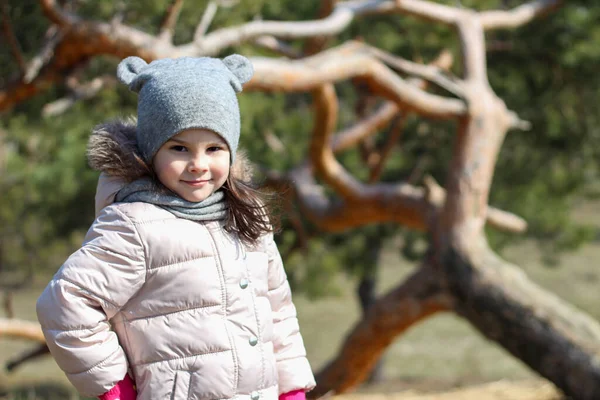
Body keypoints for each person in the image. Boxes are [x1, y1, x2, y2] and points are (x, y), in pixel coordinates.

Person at [36, 54, 316, 400]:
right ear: (153, 151)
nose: (198, 164)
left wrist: (292, 390)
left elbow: (279, 313)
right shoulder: (134, 224)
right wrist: (115, 388)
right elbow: (64, 303)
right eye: (179, 148)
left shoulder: (246, 216)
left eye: (214, 148)